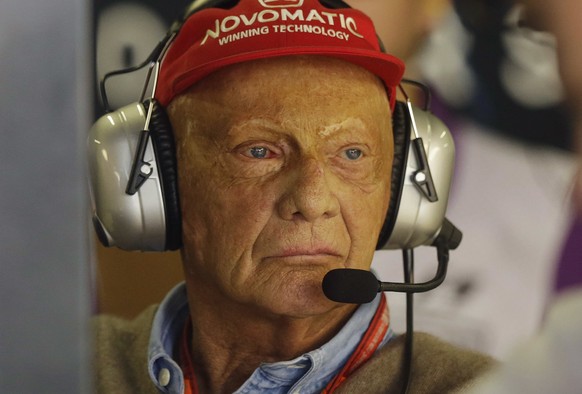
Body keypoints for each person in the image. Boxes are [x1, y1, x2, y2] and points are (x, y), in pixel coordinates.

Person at [91, 0, 495, 393]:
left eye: (351, 153)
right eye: (259, 151)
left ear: (401, 185)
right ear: (159, 180)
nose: (312, 200)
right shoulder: (58, 366)